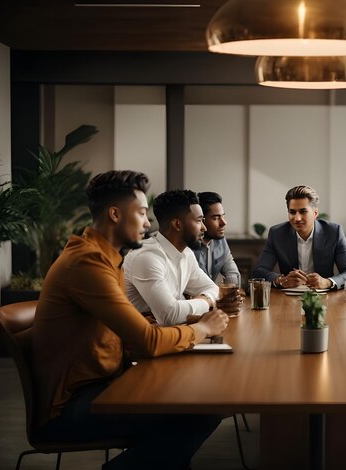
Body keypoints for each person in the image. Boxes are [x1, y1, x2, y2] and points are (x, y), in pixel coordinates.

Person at [32, 171, 229, 470]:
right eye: (140, 213)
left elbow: (130, 333)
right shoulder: (87, 263)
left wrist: (145, 328)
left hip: (107, 381)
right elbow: (148, 342)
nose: (149, 223)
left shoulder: (107, 257)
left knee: (195, 399)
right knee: (203, 409)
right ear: (114, 214)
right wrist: (203, 327)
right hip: (73, 406)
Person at [124, 189, 241, 325]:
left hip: (175, 333)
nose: (204, 228)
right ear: (177, 225)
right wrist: (207, 301)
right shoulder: (146, 258)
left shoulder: (186, 253)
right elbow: (171, 315)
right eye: (198, 221)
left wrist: (186, 306)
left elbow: (213, 288)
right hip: (146, 340)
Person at [252, 185, 346, 289]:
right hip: (288, 297)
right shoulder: (277, 233)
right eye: (292, 212)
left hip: (324, 296)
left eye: (303, 212)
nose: (297, 218)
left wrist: (327, 282)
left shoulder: (334, 232)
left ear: (315, 213)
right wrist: (281, 280)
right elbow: (259, 271)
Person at [193, 191, 241, 283]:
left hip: (210, 295)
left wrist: (231, 290)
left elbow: (233, 274)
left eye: (223, 216)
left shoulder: (220, 240)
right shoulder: (188, 244)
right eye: (215, 218)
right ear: (201, 220)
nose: (223, 223)